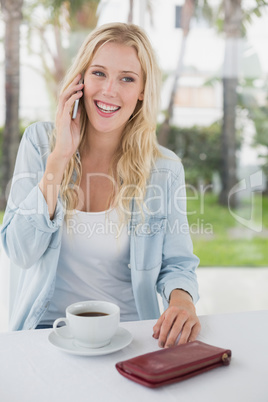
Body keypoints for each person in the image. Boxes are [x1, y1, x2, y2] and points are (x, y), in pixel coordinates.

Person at [1, 22, 200, 347]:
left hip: (133, 334)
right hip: (48, 333)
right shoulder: (40, 143)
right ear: (79, 81)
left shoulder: (164, 169)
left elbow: (177, 262)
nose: (109, 90)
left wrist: (181, 299)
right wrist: (59, 158)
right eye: (98, 73)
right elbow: (21, 253)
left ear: (141, 92)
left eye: (127, 78)